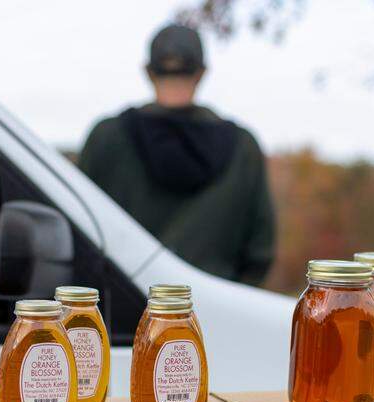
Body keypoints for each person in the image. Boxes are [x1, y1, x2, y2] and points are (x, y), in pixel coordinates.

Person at [79, 24, 275, 287]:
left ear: (148, 72)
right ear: (201, 73)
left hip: (124, 314)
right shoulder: (243, 147)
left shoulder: (106, 138)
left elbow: (79, 232)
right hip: (214, 314)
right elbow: (260, 250)